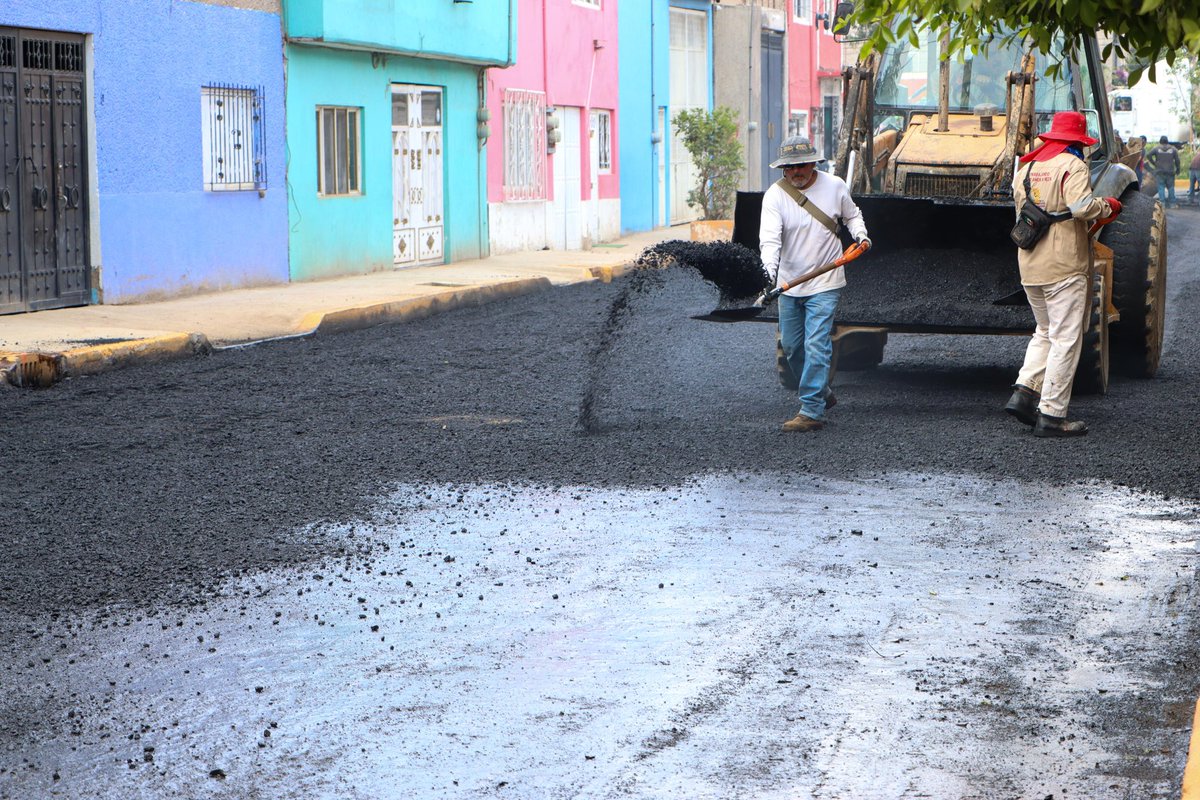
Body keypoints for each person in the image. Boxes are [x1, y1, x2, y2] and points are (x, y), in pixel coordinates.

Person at [1004, 111, 1121, 438]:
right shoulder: (1073, 166)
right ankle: (1052, 415)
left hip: (1030, 265)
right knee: (1066, 338)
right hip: (1064, 266)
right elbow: (1082, 207)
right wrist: (1108, 206)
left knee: (1044, 331)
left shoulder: (1026, 169)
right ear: (1077, 142)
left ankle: (1024, 392)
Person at [759, 136, 870, 432]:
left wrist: (861, 235)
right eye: (790, 167)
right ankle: (821, 390)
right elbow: (770, 241)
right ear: (783, 169)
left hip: (825, 280)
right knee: (792, 347)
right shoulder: (775, 196)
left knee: (816, 343)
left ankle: (811, 410)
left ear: (813, 164)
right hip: (789, 283)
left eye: (802, 165)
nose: (796, 171)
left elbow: (852, 215)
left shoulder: (834, 186)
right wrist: (769, 275)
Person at [1147, 134, 1180, 208]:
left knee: (1161, 187)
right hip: (1170, 171)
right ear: (1167, 141)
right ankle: (1172, 204)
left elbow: (1148, 155)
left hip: (1160, 171)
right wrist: (1178, 169)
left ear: (1160, 141)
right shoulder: (1173, 149)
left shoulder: (1156, 148)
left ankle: (1162, 204)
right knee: (1171, 187)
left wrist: (1154, 163)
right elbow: (1177, 160)